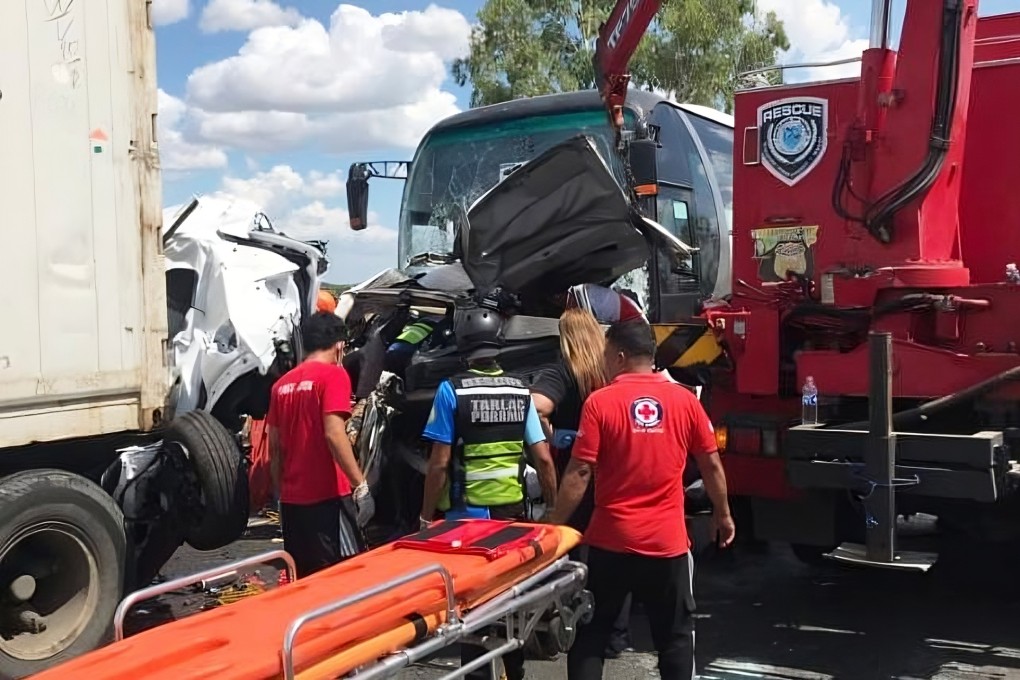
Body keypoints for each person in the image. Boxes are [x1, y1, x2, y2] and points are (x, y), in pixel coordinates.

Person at [549, 319, 735, 680]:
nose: (602, 361)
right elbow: (711, 465)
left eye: (605, 354)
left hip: (611, 541)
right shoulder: (684, 400)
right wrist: (722, 515)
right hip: (667, 544)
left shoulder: (600, 402)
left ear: (619, 357)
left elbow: (580, 472)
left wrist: (555, 523)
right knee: (674, 638)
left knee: (593, 633)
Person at [419, 304, 558, 680]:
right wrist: (552, 512)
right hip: (512, 517)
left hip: (465, 520)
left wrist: (424, 515)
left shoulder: (452, 391)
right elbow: (543, 459)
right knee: (510, 598)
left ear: (464, 346)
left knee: (469, 606)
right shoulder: (520, 393)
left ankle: (477, 674)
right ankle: (515, 672)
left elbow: (439, 464)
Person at [267, 312, 376, 578]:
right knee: (344, 575)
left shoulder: (281, 385)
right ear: (339, 345)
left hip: (293, 502)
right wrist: (360, 486)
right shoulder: (333, 377)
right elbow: (334, 434)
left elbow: (275, 448)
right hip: (329, 498)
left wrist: (281, 494)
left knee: (304, 579)